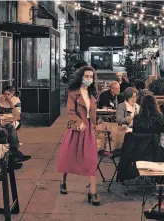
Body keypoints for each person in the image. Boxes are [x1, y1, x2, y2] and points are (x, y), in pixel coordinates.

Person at [56, 66, 100, 206]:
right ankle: (63, 181)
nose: (89, 79)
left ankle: (93, 192)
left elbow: (93, 114)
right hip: (76, 128)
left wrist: (94, 125)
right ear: (81, 77)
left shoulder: (92, 94)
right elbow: (69, 112)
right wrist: (79, 122)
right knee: (68, 156)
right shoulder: (73, 93)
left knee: (92, 159)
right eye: (86, 76)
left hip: (89, 130)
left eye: (91, 77)